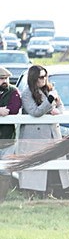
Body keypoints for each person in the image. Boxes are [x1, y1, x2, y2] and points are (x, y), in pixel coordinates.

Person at [18, 65, 69, 198]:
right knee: (36, 166)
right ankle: (33, 194)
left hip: (53, 133)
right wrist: (50, 101)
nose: (44, 79)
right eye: (41, 77)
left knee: (54, 164)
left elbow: (61, 106)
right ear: (34, 78)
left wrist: (57, 111)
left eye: (45, 76)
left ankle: (52, 193)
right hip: (35, 135)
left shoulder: (50, 90)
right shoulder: (27, 93)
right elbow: (35, 112)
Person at [0, 67, 22, 201]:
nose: (4, 81)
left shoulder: (13, 91)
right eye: (1, 79)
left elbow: (14, 108)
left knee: (5, 169)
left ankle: (2, 198)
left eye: (6, 78)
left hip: (7, 137)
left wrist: (5, 111)